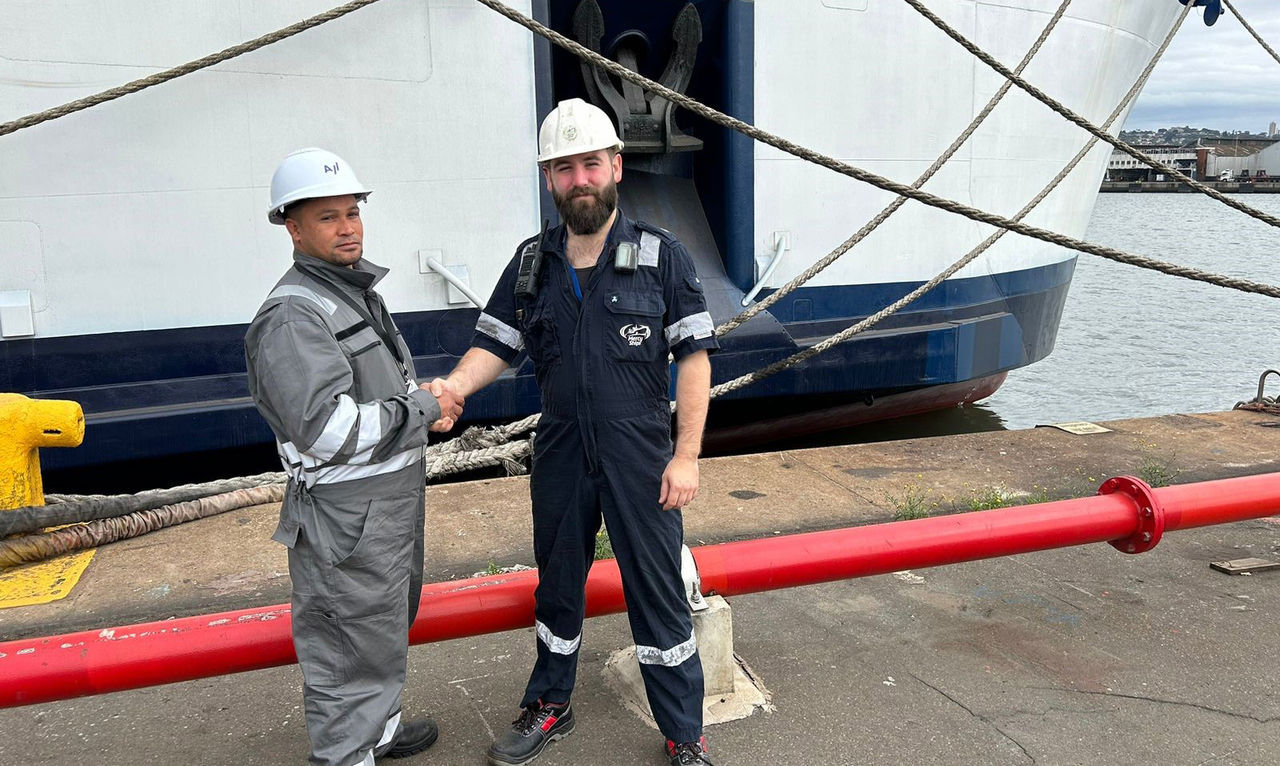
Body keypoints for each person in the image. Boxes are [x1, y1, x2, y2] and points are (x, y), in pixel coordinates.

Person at [434, 99, 718, 766]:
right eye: (564, 168)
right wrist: (455, 387)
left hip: (639, 450)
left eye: (590, 163)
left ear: (616, 166)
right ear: (549, 179)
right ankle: (550, 704)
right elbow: (495, 346)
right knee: (558, 583)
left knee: (656, 590)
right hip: (562, 446)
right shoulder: (531, 263)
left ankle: (685, 735)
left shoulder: (663, 257)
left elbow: (695, 360)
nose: (579, 179)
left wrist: (685, 456)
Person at [245, 147, 463, 766]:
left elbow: (377, 389)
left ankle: (380, 730)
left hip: (382, 509)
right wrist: (420, 408)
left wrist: (421, 406)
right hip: (345, 520)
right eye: (328, 217)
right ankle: (347, 753)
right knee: (346, 646)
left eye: (352, 213)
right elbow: (327, 431)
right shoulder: (293, 316)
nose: (347, 228)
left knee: (380, 627)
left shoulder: (348, 290)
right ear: (293, 228)